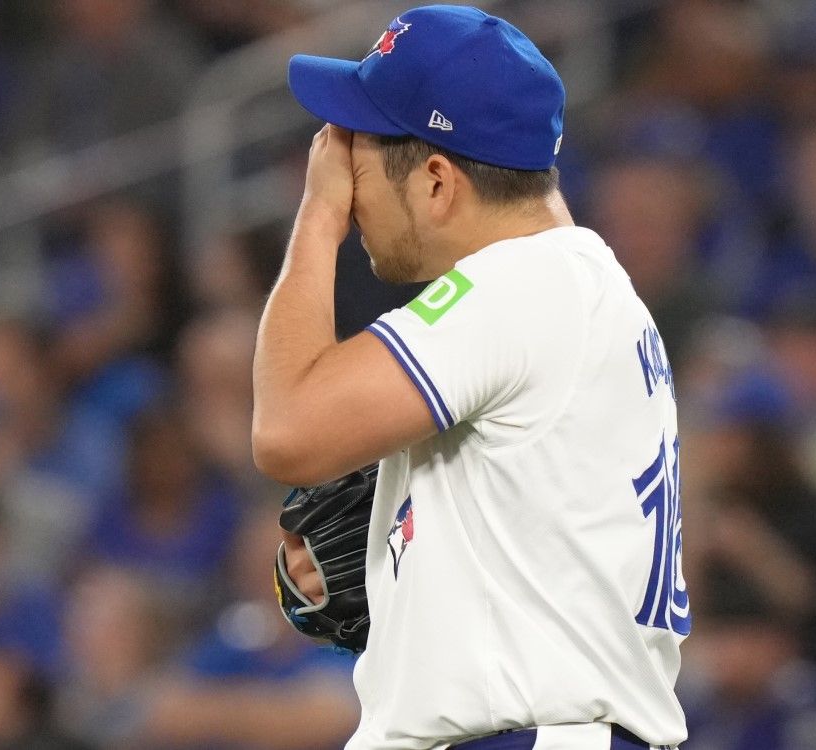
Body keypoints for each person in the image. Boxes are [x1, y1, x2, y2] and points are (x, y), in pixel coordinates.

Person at [251, 6, 688, 749]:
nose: (343, 173)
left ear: (435, 180)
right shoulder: (575, 289)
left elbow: (287, 429)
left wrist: (317, 216)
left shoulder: (525, 282)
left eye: (359, 149)